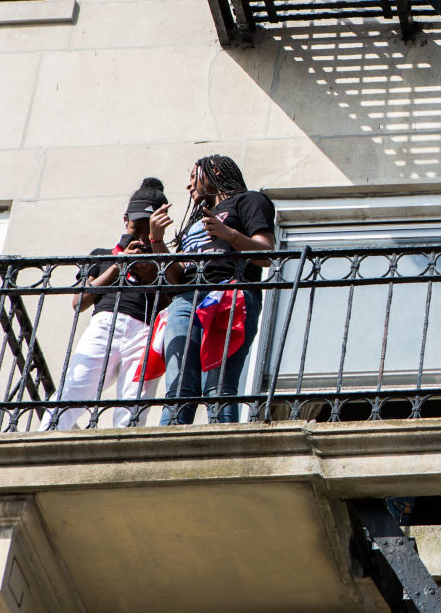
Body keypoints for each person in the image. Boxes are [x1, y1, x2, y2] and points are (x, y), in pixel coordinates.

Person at [152, 155, 276, 424]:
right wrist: (157, 241)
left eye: (193, 176)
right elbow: (176, 277)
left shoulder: (249, 201)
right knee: (179, 389)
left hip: (228, 294)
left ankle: (223, 448)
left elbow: (266, 254)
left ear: (214, 171)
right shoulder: (195, 221)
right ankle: (166, 452)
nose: (188, 186)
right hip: (186, 299)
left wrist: (228, 234)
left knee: (217, 386)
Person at [46, 178, 170, 429]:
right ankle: (42, 443)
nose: (142, 236)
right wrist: (119, 265)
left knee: (134, 407)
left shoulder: (164, 259)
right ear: (125, 220)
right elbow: (79, 302)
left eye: (149, 230)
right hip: (105, 323)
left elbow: (170, 301)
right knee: (72, 390)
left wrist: (150, 271)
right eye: (137, 228)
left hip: (145, 331)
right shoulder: (102, 254)